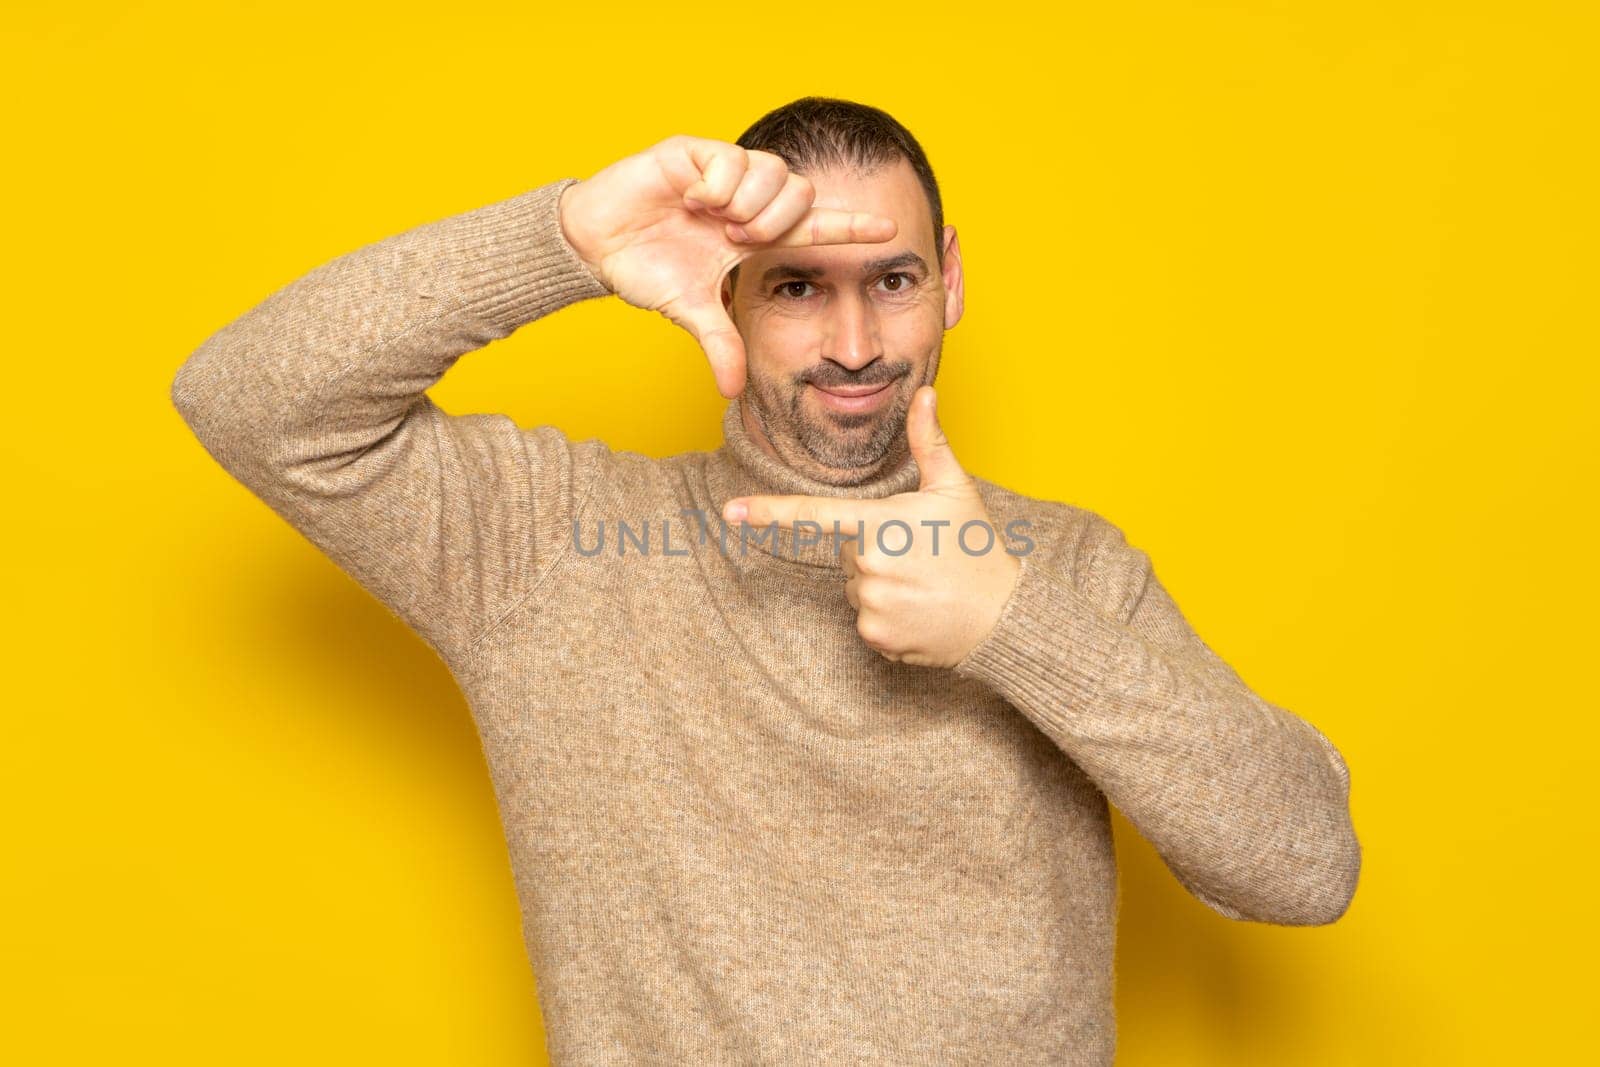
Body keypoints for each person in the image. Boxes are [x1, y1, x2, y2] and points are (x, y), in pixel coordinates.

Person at [170, 96, 1361, 1065]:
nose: (853, 342)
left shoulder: (1065, 569)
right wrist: (567, 240)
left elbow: (1304, 865)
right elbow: (249, 399)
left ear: (949, 278)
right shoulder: (540, 546)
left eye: (890, 281)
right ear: (724, 291)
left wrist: (1015, 626)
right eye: (796, 287)